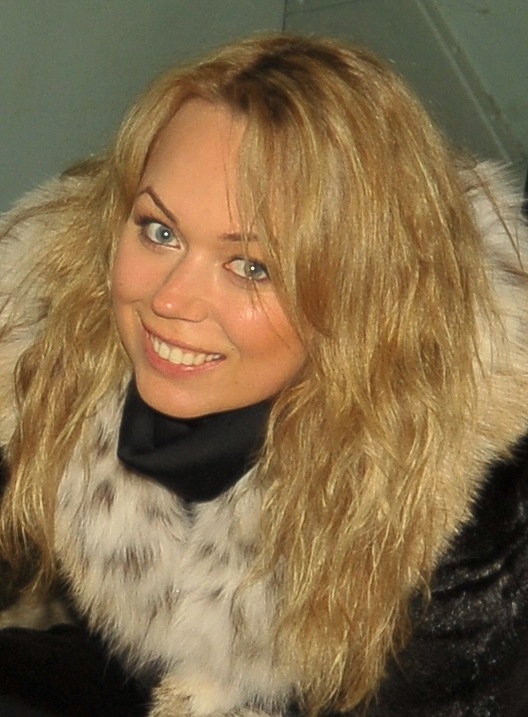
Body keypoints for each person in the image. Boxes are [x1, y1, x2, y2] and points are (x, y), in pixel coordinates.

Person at [0, 33, 527, 717]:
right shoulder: (54, 343)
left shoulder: (470, 515)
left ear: (362, 297)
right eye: (160, 231)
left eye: (252, 266)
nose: (170, 300)